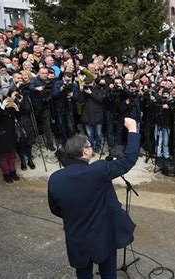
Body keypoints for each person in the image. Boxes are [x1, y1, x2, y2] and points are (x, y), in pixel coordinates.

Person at [48, 117, 139, 278]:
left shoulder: (55, 178)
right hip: (103, 236)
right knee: (108, 273)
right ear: (85, 151)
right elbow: (129, 159)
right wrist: (132, 128)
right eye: (89, 146)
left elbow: (55, 209)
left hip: (76, 238)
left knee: (83, 275)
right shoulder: (98, 170)